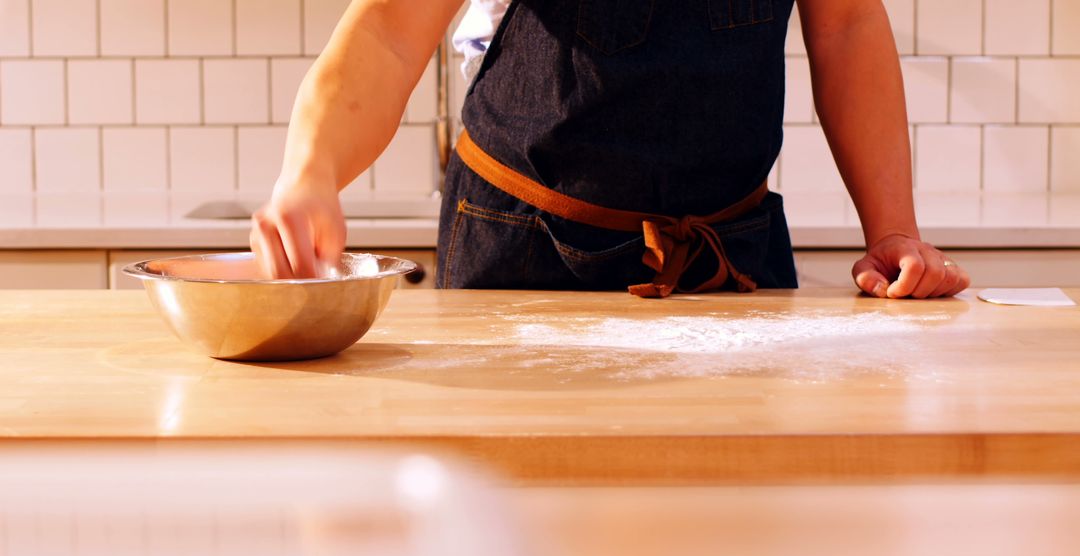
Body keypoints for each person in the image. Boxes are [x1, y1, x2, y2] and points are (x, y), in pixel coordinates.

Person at [250, 0, 971, 299]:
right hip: (522, 258)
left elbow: (845, 25)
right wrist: (311, 171)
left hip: (731, 265)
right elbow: (390, 30)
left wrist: (892, 230)